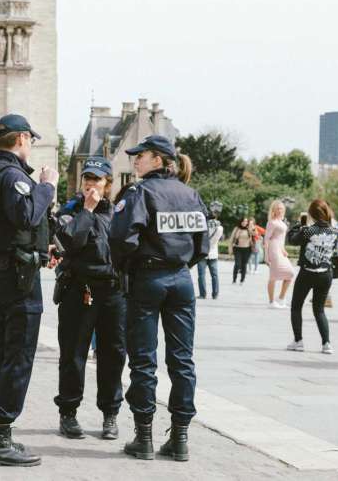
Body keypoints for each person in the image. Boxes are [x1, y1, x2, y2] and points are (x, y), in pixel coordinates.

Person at [0, 114, 57, 467]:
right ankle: (0, 437)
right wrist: (46, 186)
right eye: (30, 140)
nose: (31, 145)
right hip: (19, 276)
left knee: (1, 351)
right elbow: (25, 215)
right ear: (20, 139)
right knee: (18, 354)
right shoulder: (12, 176)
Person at [109, 135, 208, 462]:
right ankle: (180, 438)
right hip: (181, 279)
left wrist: (133, 265)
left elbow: (121, 238)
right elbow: (202, 246)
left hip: (149, 279)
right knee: (182, 360)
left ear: (160, 159)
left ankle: (144, 437)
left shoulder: (141, 192)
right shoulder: (190, 193)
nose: (135, 160)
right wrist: (177, 263)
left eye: (141, 155)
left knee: (143, 359)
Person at [52, 157, 126, 441]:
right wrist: (87, 210)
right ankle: (68, 413)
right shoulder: (70, 211)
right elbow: (69, 242)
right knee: (73, 354)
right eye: (86, 179)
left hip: (112, 291)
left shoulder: (119, 213)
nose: (90, 184)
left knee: (113, 355)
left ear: (108, 185)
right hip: (78, 290)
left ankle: (110, 414)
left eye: (96, 180)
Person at [286, 201, 338, 355]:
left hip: (307, 272)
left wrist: (298, 224)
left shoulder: (308, 230)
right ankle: (326, 343)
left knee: (296, 306)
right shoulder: (335, 231)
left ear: (311, 214)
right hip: (326, 273)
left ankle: (298, 341)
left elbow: (292, 240)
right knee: (319, 309)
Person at [264, 200, 295, 309]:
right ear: (273, 210)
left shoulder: (282, 222)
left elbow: (281, 239)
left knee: (290, 273)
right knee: (273, 276)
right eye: (278, 208)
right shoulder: (272, 222)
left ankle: (281, 299)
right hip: (273, 250)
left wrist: (283, 249)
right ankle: (271, 302)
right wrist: (266, 256)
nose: (280, 210)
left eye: (282, 208)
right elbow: (266, 239)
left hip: (280, 250)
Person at [196, 209, 223, 300]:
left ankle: (202, 294)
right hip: (213, 253)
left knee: (201, 275)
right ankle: (215, 294)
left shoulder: (201, 226)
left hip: (202, 252)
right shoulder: (219, 228)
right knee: (214, 275)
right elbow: (215, 240)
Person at [228, 218, 253, 285]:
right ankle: (234, 279)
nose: (245, 222)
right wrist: (230, 249)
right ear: (241, 222)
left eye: (246, 221)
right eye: (243, 221)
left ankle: (242, 280)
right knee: (237, 264)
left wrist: (251, 228)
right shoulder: (236, 229)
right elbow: (231, 239)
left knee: (244, 265)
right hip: (237, 248)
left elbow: (255, 235)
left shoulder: (249, 229)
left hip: (247, 249)